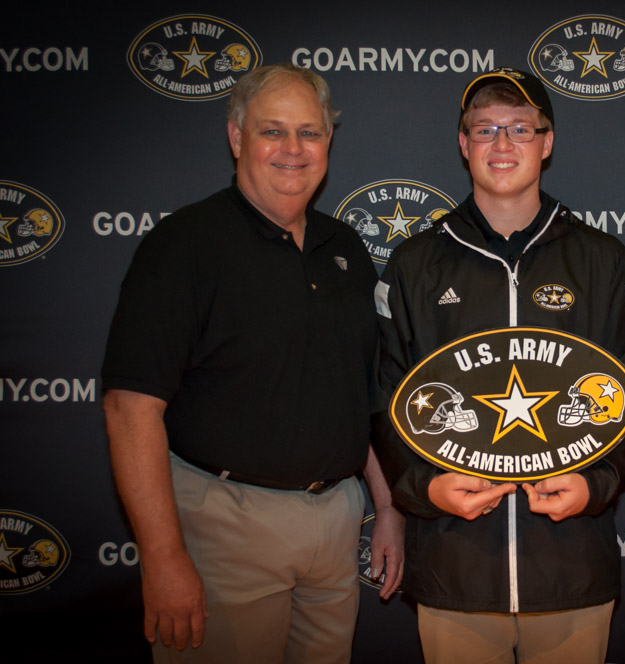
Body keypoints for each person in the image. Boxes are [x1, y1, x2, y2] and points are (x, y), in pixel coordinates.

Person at [101, 63, 403, 663]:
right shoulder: (184, 246)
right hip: (225, 524)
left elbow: (359, 395)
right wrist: (162, 558)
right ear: (237, 137)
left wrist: (387, 504)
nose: (293, 149)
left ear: (328, 142)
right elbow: (129, 408)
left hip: (336, 522)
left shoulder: (343, 249)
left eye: (310, 133)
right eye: (273, 131)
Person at [373, 67, 625, 663]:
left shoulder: (601, 258)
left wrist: (594, 485)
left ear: (547, 142)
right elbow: (385, 398)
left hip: (570, 569)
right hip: (455, 568)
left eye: (521, 128)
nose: (502, 144)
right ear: (463, 143)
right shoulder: (416, 264)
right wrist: (426, 488)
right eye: (485, 129)